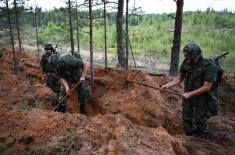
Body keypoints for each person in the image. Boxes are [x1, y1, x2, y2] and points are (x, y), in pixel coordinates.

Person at [161, 43, 218, 139]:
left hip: (202, 96)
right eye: (185, 54)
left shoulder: (209, 65)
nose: (185, 56)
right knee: (186, 115)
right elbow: (179, 79)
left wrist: (189, 94)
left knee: (199, 118)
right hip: (188, 94)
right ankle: (189, 134)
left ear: (195, 55)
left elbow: (207, 87)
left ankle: (202, 137)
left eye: (187, 55)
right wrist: (167, 85)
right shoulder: (187, 62)